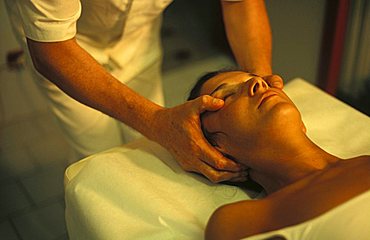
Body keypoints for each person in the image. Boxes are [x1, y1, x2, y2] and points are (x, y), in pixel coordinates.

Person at [4, 0, 284, 182]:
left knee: (149, 150)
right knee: (98, 156)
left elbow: (239, 2)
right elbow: (52, 50)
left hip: (138, 38)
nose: (253, 86)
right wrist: (156, 122)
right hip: (64, 46)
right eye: (226, 94)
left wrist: (261, 79)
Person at [187, 70, 370, 239]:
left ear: (301, 124)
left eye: (257, 78)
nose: (258, 82)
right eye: (227, 95)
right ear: (215, 149)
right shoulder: (242, 221)